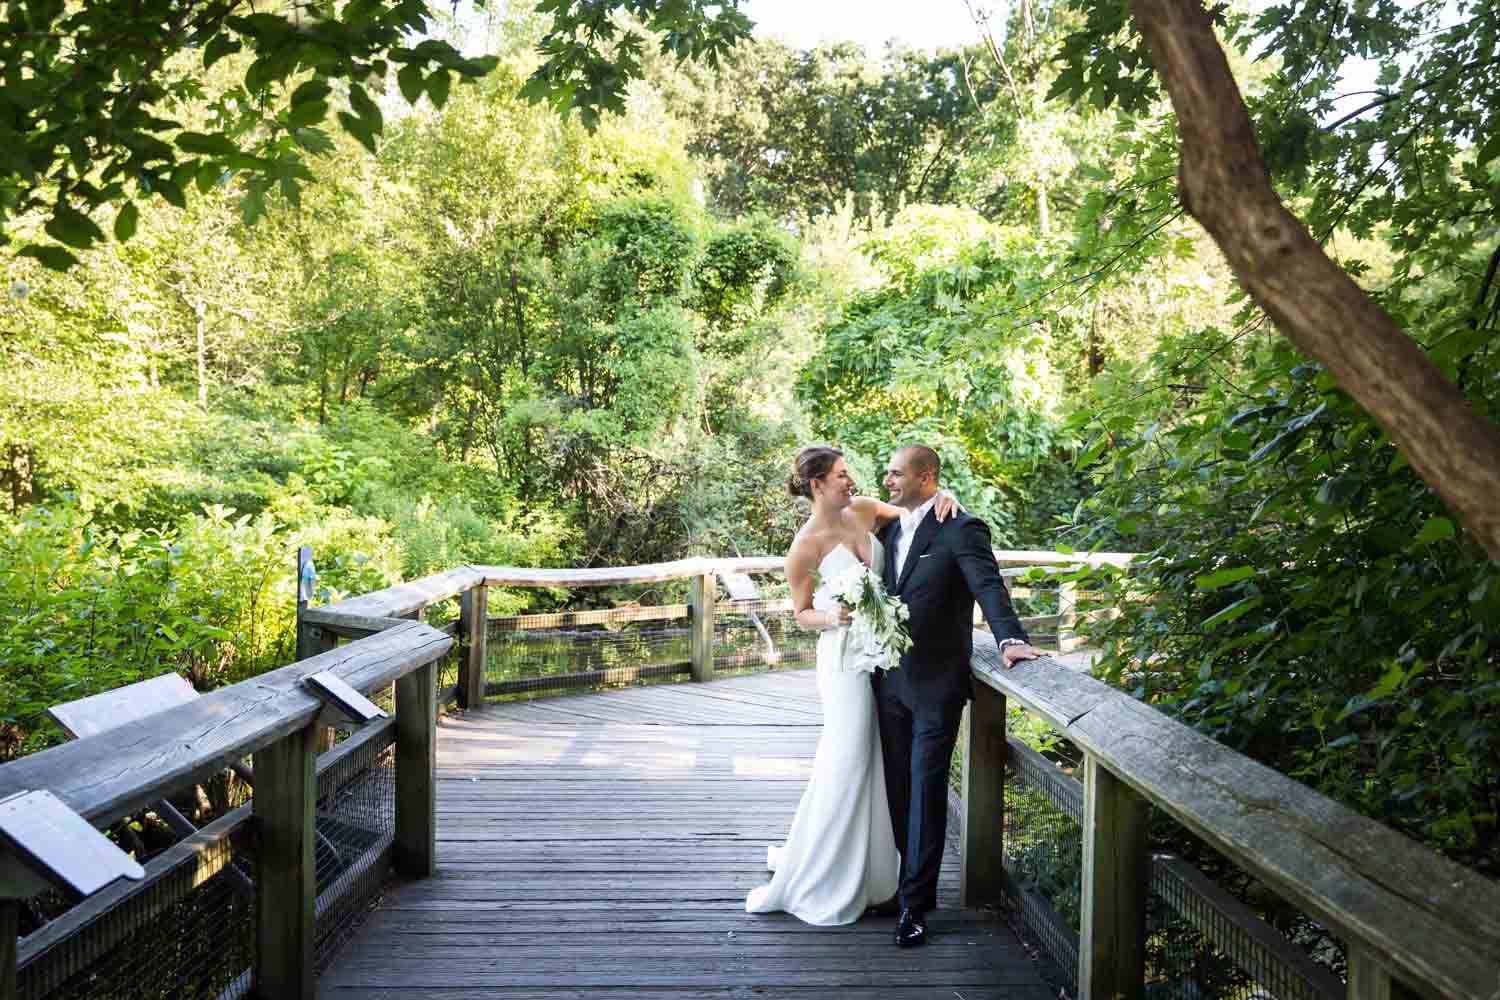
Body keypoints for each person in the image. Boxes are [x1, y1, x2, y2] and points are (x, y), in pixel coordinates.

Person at [744, 445, 962, 926]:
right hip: (843, 659)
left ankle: (876, 873)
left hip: (884, 658)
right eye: (842, 475)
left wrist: (943, 494)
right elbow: (801, 613)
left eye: (850, 473)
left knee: (880, 760)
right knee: (848, 756)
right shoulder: (805, 546)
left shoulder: (863, 510)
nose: (851, 481)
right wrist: (833, 616)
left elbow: (914, 513)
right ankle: (827, 870)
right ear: (817, 485)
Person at [874, 444, 1041, 947]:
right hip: (887, 681)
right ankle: (901, 884)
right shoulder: (885, 526)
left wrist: (1010, 638)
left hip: (937, 684)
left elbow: (989, 586)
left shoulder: (961, 528)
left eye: (897, 473)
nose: (887, 481)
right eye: (887, 473)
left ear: (927, 479)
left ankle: (915, 906)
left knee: (926, 788)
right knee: (898, 788)